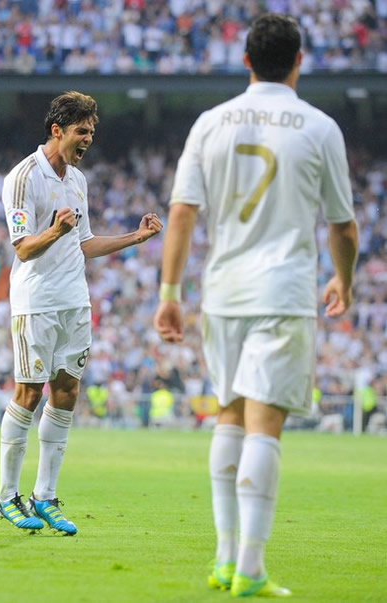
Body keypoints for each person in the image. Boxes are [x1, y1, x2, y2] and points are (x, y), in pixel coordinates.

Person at [154, 14, 358, 598]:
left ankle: (222, 558)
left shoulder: (210, 123)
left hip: (222, 292)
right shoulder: (319, 127)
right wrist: (344, 280)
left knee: (228, 413)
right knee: (265, 424)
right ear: (300, 61)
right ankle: (249, 567)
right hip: (283, 291)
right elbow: (342, 226)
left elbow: (183, 213)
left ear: (246, 61)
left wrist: (170, 295)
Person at [0, 90, 162, 533]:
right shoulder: (23, 177)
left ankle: (44, 496)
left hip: (74, 301)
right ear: (57, 130)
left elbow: (84, 244)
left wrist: (135, 238)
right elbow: (23, 247)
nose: (88, 139)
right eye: (82, 131)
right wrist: (54, 229)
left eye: (92, 131)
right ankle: (6, 496)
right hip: (36, 301)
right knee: (29, 394)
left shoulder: (78, 181)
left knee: (66, 391)